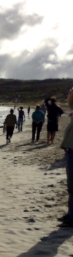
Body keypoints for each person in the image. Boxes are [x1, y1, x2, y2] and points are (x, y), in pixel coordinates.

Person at [58, 88, 73, 226]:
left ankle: (72, 218)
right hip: (70, 151)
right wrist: (70, 93)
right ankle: (70, 214)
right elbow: (70, 103)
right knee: (70, 186)